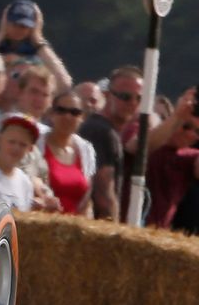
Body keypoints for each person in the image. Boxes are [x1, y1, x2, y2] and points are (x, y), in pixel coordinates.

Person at [0, 0, 73, 92]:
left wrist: (38, 40)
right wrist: (0, 35)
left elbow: (65, 84)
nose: (18, 29)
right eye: (15, 24)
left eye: (24, 26)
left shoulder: (39, 55)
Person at [80, 65, 141, 220]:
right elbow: (104, 196)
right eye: (125, 97)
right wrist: (114, 234)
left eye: (139, 98)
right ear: (107, 95)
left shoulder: (105, 130)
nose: (133, 103)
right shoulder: (102, 132)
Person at [146, 89, 199, 231]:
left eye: (198, 132)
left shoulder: (188, 157)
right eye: (186, 126)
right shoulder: (151, 139)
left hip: (157, 234)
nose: (191, 134)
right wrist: (178, 116)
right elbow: (142, 148)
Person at [40, 89, 97, 217]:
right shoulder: (37, 145)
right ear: (51, 114)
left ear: (82, 118)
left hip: (74, 229)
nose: (67, 117)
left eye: (75, 112)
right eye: (61, 110)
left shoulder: (86, 150)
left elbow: (87, 200)